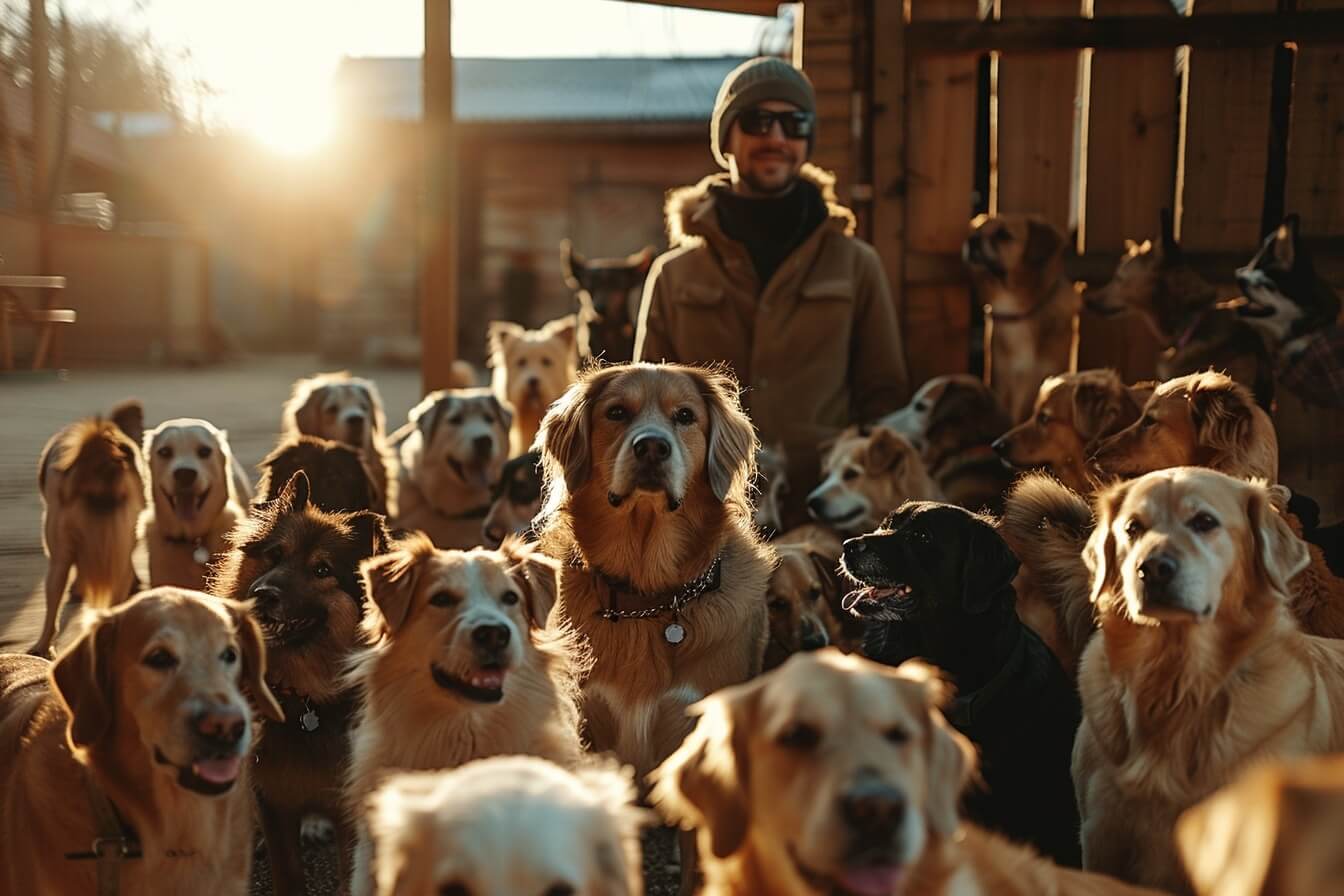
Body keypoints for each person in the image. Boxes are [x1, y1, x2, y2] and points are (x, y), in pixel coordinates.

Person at [634, 56, 908, 525]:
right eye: (758, 121)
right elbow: (645, 408)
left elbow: (885, 406)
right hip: (705, 515)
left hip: (822, 515)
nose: (776, 138)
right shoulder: (674, 275)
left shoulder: (856, 264)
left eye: (793, 123)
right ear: (727, 140)